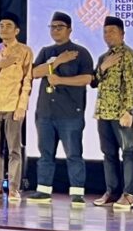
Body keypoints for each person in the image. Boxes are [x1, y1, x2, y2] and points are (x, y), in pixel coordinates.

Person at [28, 11, 94, 205]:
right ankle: (43, 190)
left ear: (69, 29)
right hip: (45, 113)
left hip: (70, 113)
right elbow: (34, 73)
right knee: (45, 154)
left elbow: (87, 78)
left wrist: (60, 80)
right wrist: (57, 61)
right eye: (53, 27)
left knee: (73, 154)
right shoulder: (46, 51)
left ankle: (77, 193)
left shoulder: (80, 52)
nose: (56, 30)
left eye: (60, 27)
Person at [92, 15, 133, 211]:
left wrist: (129, 110)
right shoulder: (104, 57)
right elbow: (93, 81)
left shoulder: (128, 55)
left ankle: (129, 194)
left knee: (128, 152)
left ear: (122, 33)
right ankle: (112, 191)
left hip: (122, 113)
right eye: (105, 32)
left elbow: (131, 85)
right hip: (103, 112)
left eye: (112, 31)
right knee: (108, 153)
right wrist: (103, 67)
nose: (108, 35)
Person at [0, 13, 33, 202]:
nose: (3, 29)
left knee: (14, 149)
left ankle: (13, 188)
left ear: (17, 30)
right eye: (1, 25)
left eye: (8, 25)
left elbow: (27, 80)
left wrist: (22, 106)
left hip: (13, 105)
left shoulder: (25, 51)